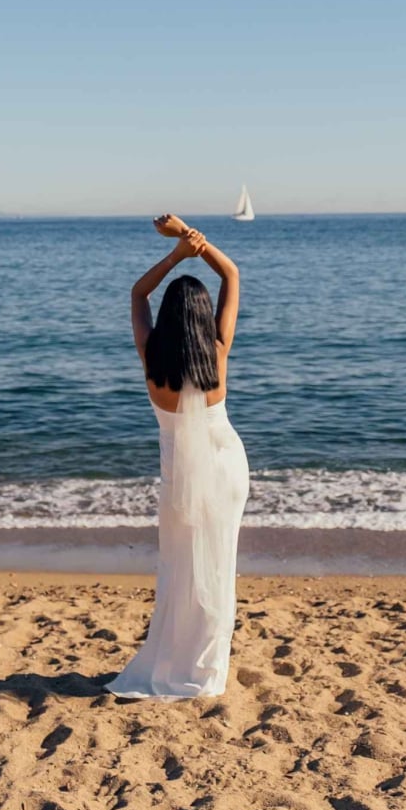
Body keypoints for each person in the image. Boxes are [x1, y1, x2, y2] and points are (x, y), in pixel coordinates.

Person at [105, 214, 250, 700]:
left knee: (180, 569)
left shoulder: (150, 358)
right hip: (226, 471)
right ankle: (208, 671)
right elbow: (231, 274)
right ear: (205, 317)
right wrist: (197, 241)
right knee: (217, 568)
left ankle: (176, 659)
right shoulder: (218, 350)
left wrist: (176, 255)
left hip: (178, 480)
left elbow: (137, 295)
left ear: (167, 319)